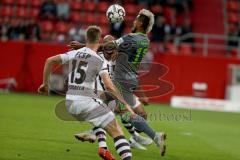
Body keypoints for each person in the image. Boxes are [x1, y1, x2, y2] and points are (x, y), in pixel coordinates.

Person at [69, 9, 167, 156]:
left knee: (118, 111)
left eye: (136, 19)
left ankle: (153, 136)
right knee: (109, 108)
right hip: (131, 79)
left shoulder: (131, 38)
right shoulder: (145, 40)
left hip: (121, 82)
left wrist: (83, 46)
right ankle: (138, 136)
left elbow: (108, 46)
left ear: (140, 23)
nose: (134, 21)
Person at [38, 26, 133, 160]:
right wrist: (124, 104)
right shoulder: (99, 60)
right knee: (117, 130)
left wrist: (45, 84)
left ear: (86, 38)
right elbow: (109, 86)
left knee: (100, 114)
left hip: (70, 103)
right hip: (85, 101)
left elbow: (50, 60)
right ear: (99, 39)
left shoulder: (74, 53)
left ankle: (103, 148)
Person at [75, 35, 153, 152]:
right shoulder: (99, 57)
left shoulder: (120, 57)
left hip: (118, 90)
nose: (111, 47)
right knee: (118, 114)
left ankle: (132, 137)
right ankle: (104, 142)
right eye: (108, 45)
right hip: (104, 91)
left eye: (112, 44)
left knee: (136, 114)